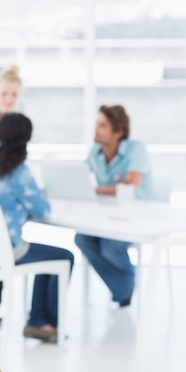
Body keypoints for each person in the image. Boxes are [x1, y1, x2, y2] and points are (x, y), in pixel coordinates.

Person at [0, 112, 74, 340]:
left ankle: (40, 321)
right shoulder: (19, 172)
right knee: (64, 257)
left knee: (51, 257)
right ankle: (43, 323)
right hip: (8, 248)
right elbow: (42, 210)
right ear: (26, 138)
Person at [74, 105, 155, 307]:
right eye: (96, 124)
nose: (96, 129)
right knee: (82, 239)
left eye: (102, 126)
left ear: (118, 133)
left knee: (111, 245)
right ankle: (124, 286)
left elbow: (129, 185)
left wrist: (94, 191)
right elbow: (80, 176)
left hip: (139, 215)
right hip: (109, 215)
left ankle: (123, 285)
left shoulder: (136, 149)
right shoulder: (96, 151)